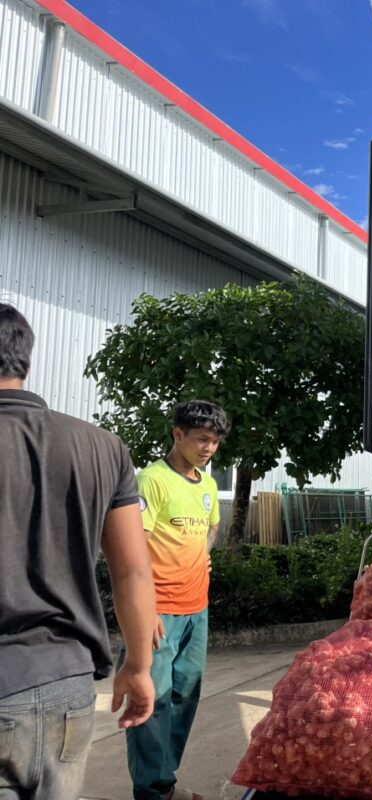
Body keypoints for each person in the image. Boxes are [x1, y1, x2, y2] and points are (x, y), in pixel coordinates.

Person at [0, 303, 157, 800]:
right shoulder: (102, 446)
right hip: (66, 684)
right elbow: (133, 570)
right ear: (25, 360)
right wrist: (138, 666)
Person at [126, 400, 229, 800]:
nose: (208, 448)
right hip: (158, 613)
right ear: (178, 434)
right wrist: (144, 610)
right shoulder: (152, 480)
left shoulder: (206, 482)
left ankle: (165, 781)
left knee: (185, 696)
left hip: (196, 610)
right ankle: (151, 791)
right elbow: (133, 549)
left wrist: (200, 556)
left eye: (215, 442)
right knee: (152, 703)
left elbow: (212, 527)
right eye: (202, 439)